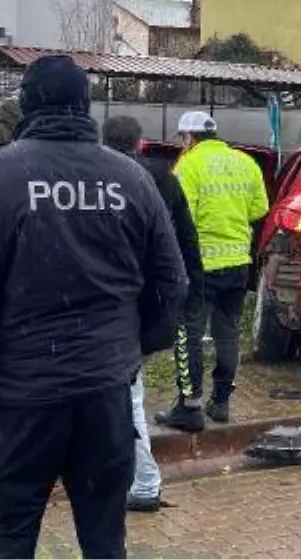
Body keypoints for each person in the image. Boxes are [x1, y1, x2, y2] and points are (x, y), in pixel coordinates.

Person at [0, 55, 188, 558]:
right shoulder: (131, 179)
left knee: (6, 539)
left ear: (26, 105)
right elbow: (172, 287)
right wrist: (126, 354)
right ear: (83, 106)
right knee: (105, 540)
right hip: (104, 397)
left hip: (21, 403)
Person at [102, 115, 203, 512]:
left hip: (114, 311)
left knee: (125, 400)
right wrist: (189, 293)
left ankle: (143, 482)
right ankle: (129, 477)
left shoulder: (101, 180)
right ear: (139, 143)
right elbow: (185, 241)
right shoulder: (160, 178)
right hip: (147, 308)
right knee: (125, 396)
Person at [155, 111, 269, 432]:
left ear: (189, 138)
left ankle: (189, 406)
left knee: (188, 333)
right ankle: (221, 402)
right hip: (238, 265)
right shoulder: (246, 163)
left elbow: (177, 213)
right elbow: (259, 209)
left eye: (182, 139)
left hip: (202, 267)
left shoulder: (189, 165)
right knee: (228, 333)